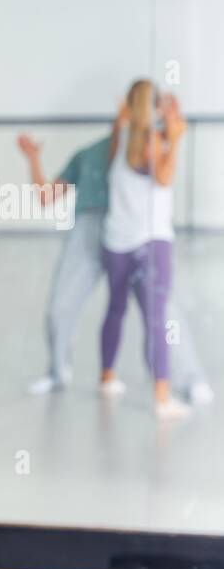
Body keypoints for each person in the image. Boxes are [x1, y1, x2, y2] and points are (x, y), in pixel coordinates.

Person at [18, 91, 211, 406]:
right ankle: (57, 372)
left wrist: (170, 121)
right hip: (90, 230)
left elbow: (166, 160)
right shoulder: (89, 154)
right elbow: (47, 196)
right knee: (60, 306)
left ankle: (190, 379)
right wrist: (33, 159)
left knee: (163, 311)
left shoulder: (144, 146)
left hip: (132, 233)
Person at [99, 81, 190, 418]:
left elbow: (125, 128)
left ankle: (107, 376)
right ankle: (162, 397)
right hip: (151, 242)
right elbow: (164, 178)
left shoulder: (119, 135)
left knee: (115, 308)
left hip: (115, 241)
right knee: (156, 320)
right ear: (152, 107)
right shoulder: (152, 140)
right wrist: (176, 137)